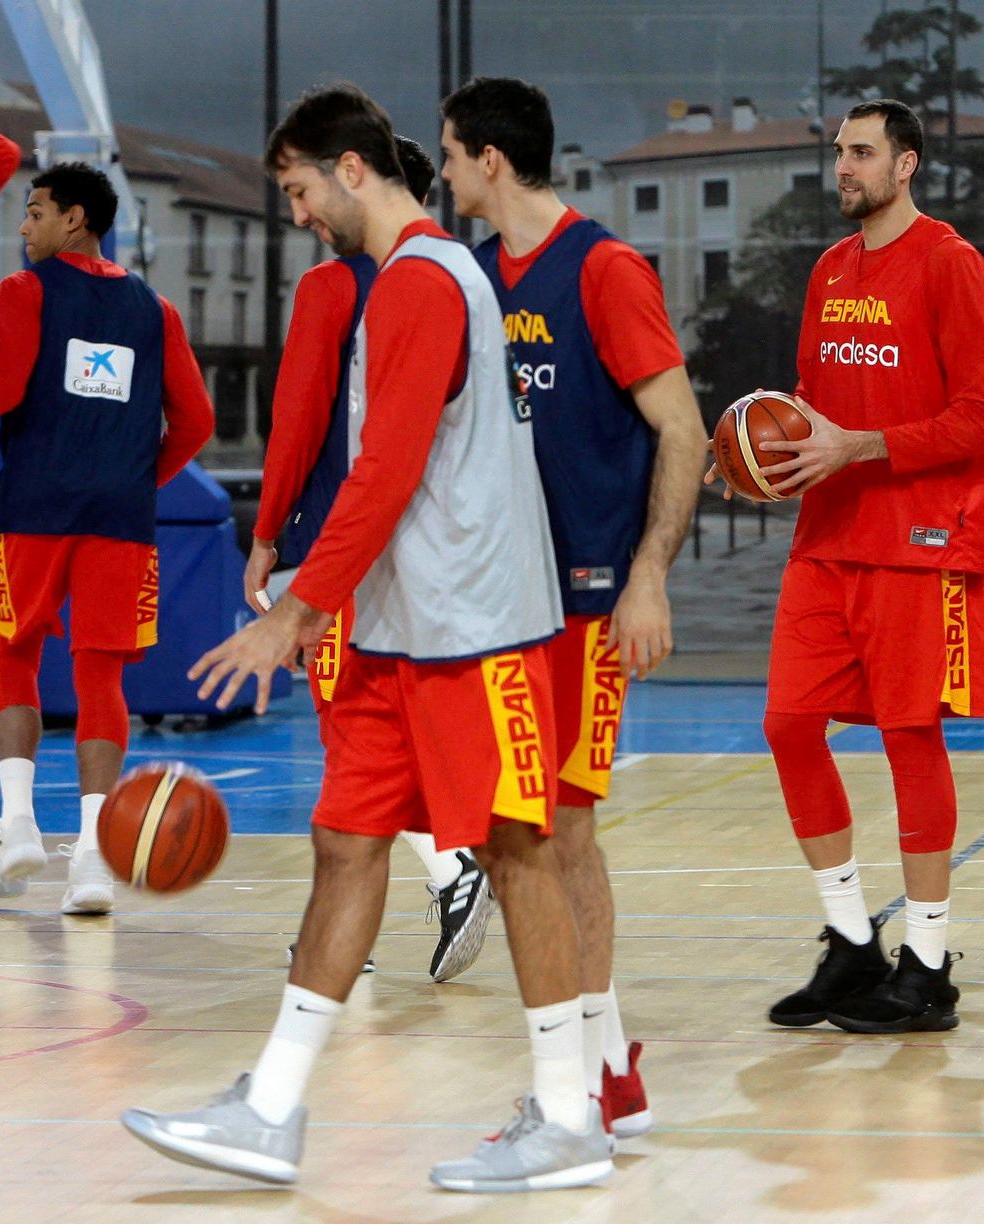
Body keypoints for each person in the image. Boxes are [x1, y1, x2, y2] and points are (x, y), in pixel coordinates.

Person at [121, 85, 611, 1192]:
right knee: (346, 843)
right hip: (402, 629)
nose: (296, 214)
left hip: (479, 631)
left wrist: (296, 610)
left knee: (520, 853)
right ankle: (271, 1108)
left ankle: (573, 1119)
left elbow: (385, 471)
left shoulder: (427, 282)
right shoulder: (399, 284)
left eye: (297, 190)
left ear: (347, 172)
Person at [442, 74, 704, 1135]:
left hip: (587, 598)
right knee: (537, 836)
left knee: (555, 836)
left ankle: (595, 1079)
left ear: (490, 161)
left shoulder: (603, 270)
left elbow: (681, 430)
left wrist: (649, 575)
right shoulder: (466, 276)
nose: (446, 171)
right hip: (498, 602)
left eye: (453, 154)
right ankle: (605, 1074)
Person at [727, 99, 984, 1034]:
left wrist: (863, 447)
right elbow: (814, 402)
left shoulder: (951, 263)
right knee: (788, 725)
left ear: (906, 165)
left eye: (860, 153)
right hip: (826, 539)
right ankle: (853, 943)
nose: (843, 167)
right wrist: (763, 458)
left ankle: (927, 965)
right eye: (839, 153)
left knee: (908, 740)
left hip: (918, 543)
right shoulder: (830, 269)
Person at [248, 134, 494, 981]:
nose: (305, 213)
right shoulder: (463, 274)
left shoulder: (337, 286)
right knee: (391, 724)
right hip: (440, 552)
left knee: (350, 729)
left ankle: (449, 867)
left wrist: (267, 533)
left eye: (303, 192)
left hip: (340, 538)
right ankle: (382, 905)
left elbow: (299, 415)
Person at [0, 163, 213, 913]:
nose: (23, 228)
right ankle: (92, 858)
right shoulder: (154, 309)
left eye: (34, 212)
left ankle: (17, 823)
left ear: (76, 219)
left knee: (10, 653)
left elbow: (1, 392)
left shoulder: (24, 294)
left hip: (31, 510)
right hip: (120, 520)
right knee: (101, 678)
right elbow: (197, 423)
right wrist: (134, 478)